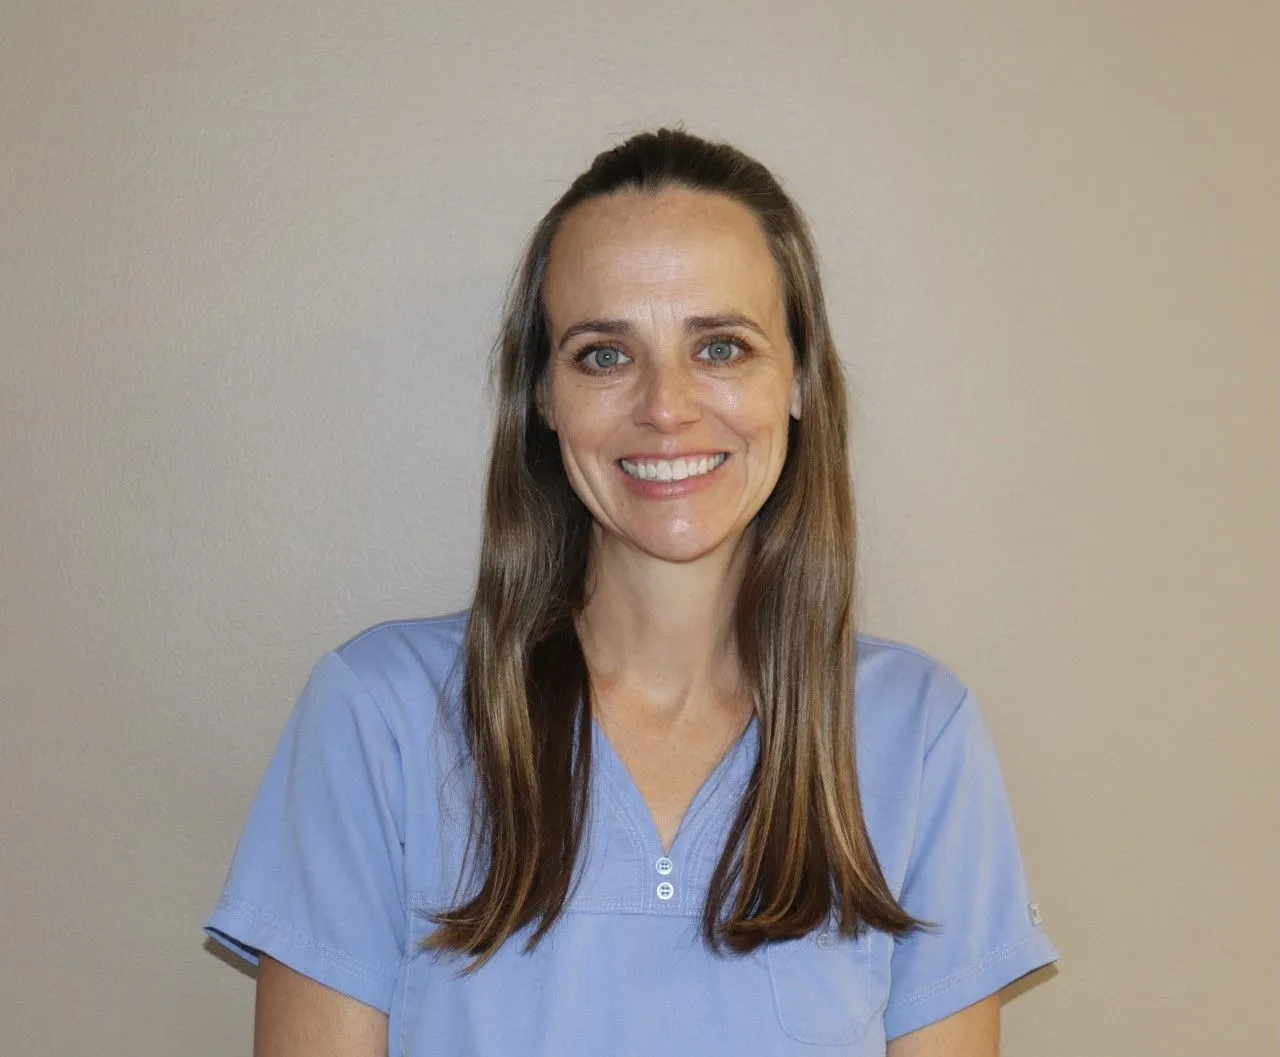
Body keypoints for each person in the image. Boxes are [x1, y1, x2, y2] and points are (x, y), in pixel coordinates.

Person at [206, 127, 1057, 1056]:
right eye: (605, 354)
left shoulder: (920, 738)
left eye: (722, 347)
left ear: (800, 381)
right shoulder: (379, 716)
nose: (665, 405)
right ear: (541, 395)